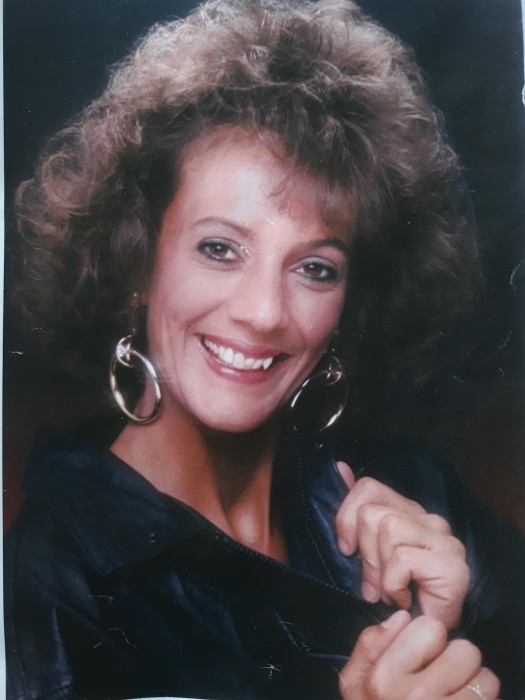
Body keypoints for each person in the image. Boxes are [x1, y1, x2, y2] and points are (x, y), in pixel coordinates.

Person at [4, 1, 525, 699]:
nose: (264, 312)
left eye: (314, 268)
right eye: (220, 249)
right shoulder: (48, 589)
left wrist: (464, 627)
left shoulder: (420, 496)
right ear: (136, 260)